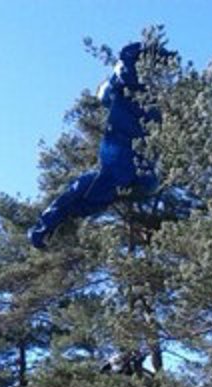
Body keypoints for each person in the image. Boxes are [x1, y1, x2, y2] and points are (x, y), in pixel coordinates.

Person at [28, 41, 159, 250]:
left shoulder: (124, 96)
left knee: (91, 189)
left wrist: (44, 227)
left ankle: (48, 228)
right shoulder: (140, 103)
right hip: (132, 166)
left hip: (127, 166)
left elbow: (71, 196)